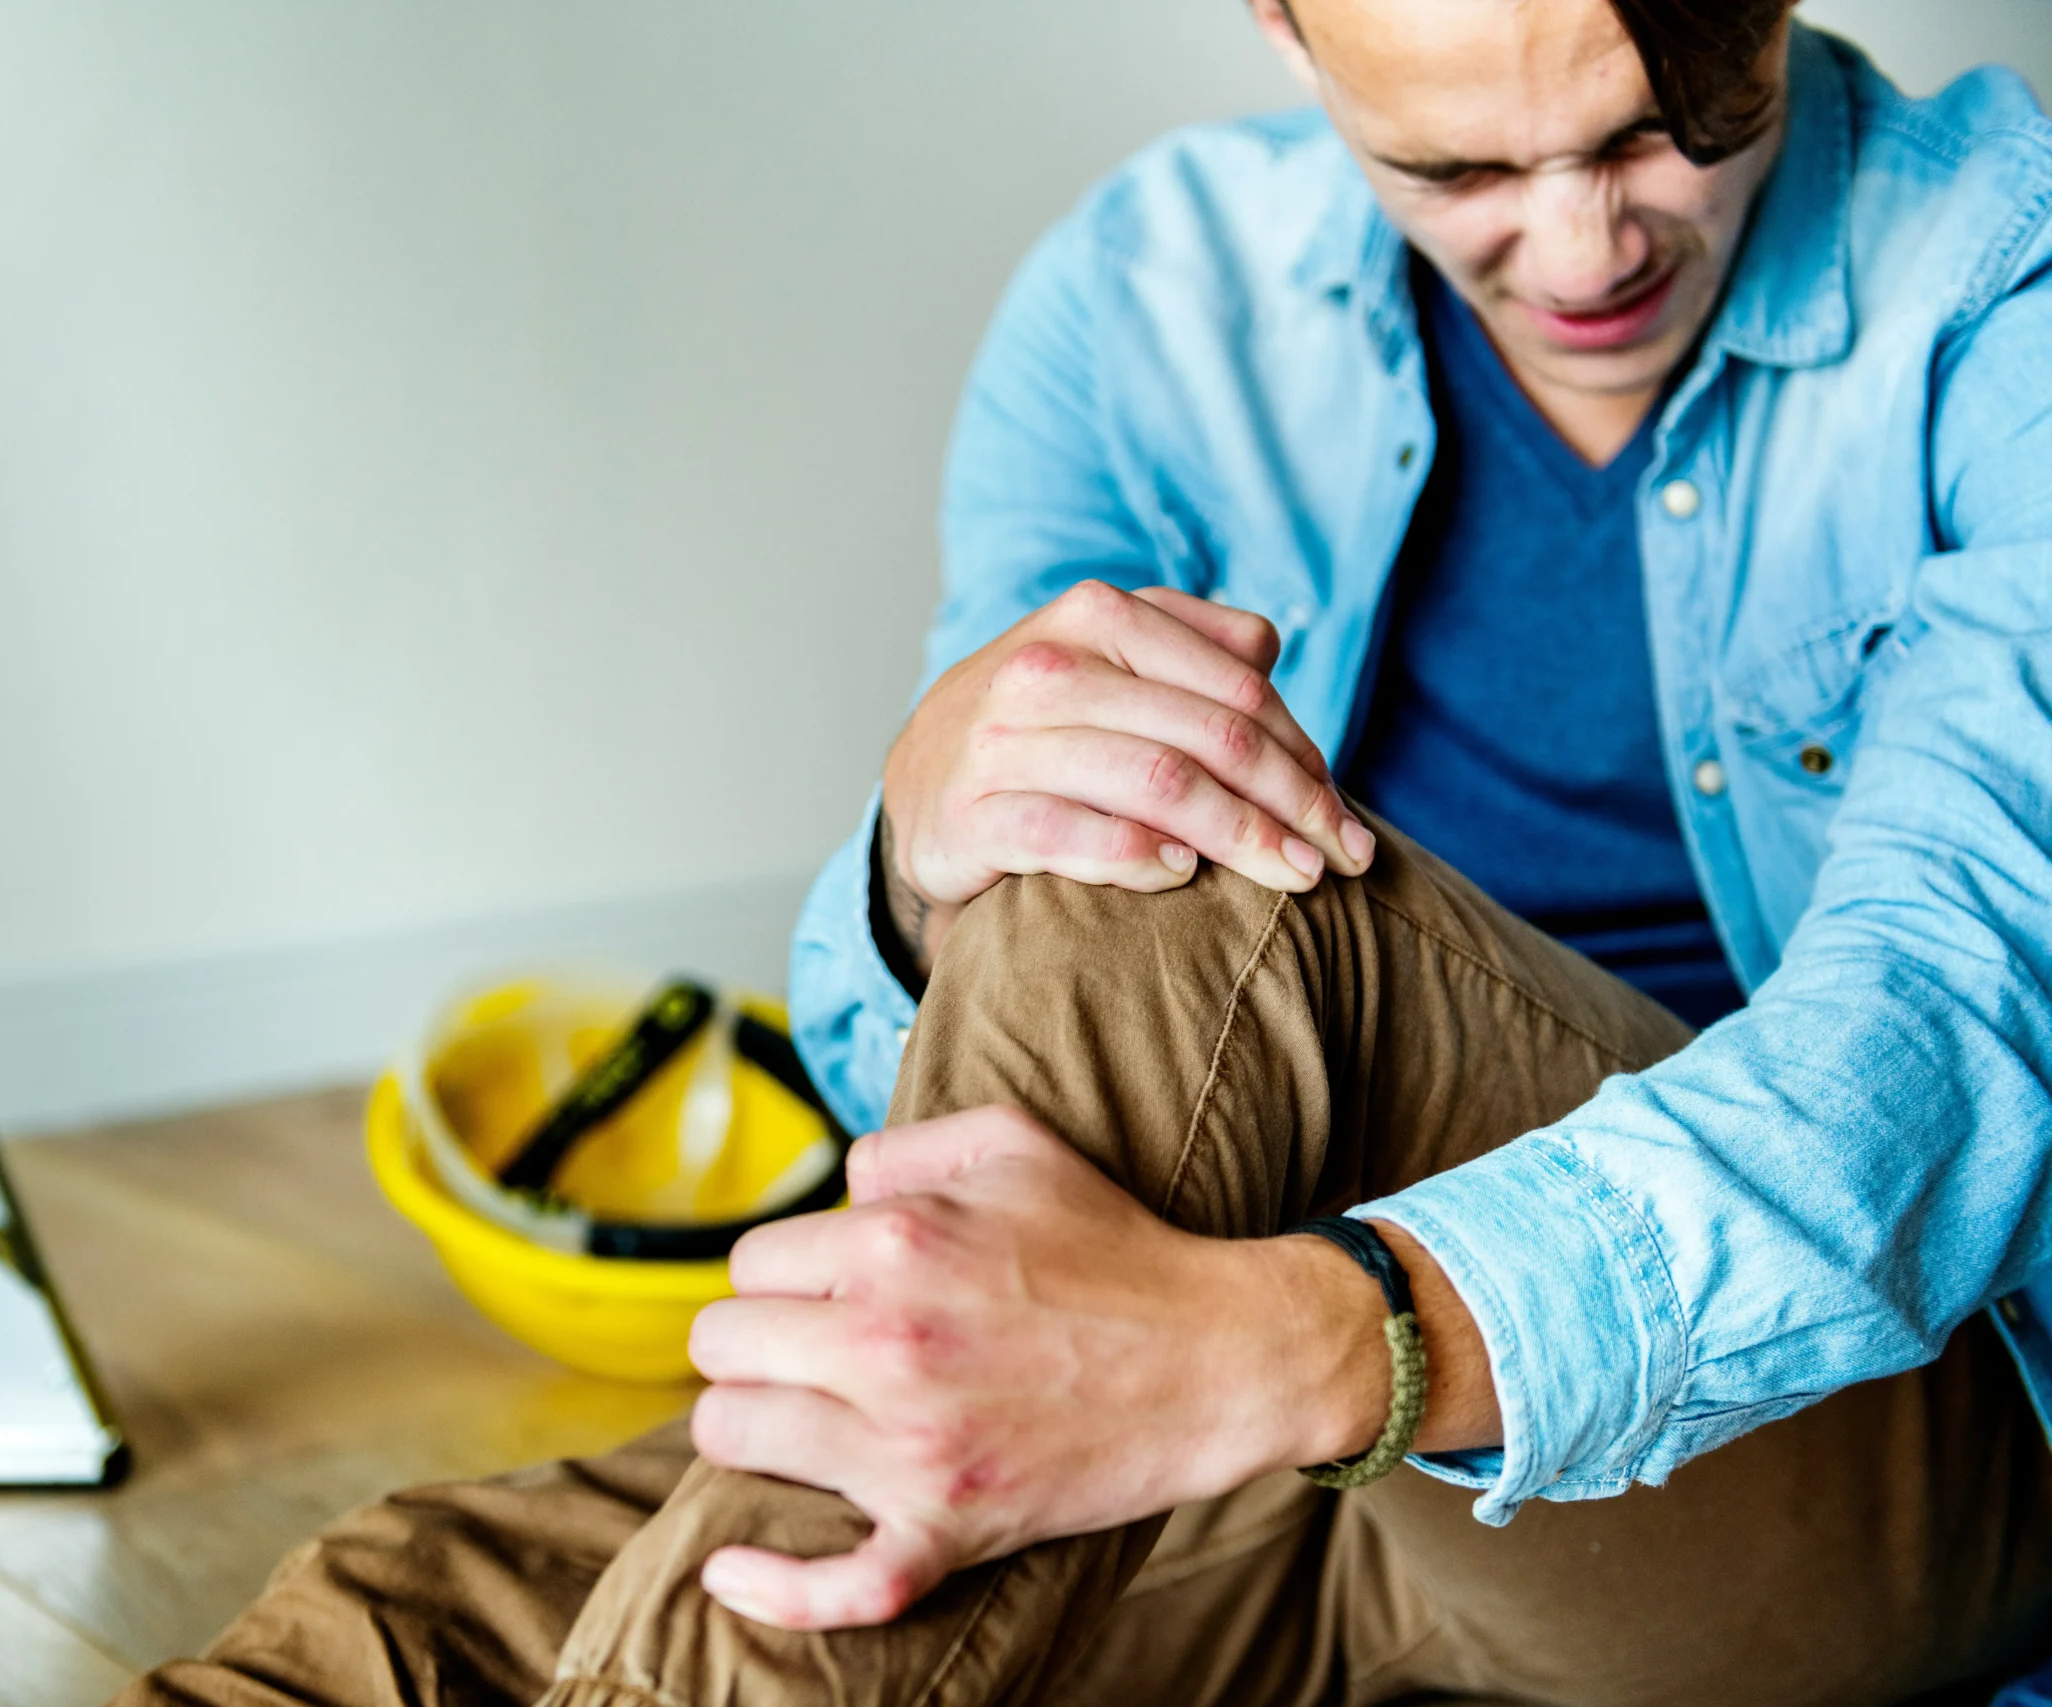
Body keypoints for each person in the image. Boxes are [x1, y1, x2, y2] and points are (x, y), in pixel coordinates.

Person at [118, 1, 2052, 1702]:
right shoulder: (1148, 299)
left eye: (1654, 132)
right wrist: (916, 867)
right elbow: (979, 1088)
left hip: (1839, 1434)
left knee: (1180, 869)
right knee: (410, 1623)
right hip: (1263, 1426)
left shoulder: (1998, 278)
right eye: (1457, 164)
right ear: (1285, 31)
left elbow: (1952, 1045)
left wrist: (1307, 1344)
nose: (1580, 244)